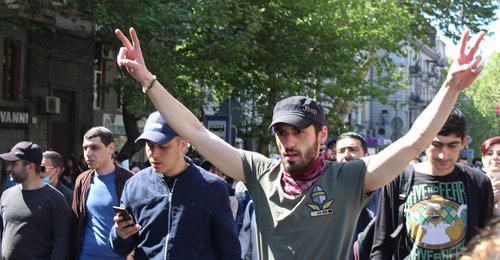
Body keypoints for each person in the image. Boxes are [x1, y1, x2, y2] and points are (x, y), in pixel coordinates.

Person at [115, 27, 485, 259]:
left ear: (322, 136)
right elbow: (196, 132)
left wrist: (451, 85)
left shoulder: (349, 179)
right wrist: (148, 80)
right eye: (282, 133)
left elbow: (412, 142)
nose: (288, 142)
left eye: (299, 132)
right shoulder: (260, 173)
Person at [109, 111, 241, 259]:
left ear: (182, 144)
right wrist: (119, 234)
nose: (154, 154)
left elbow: (230, 251)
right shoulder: (134, 185)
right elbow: (122, 248)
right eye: (150, 145)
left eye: (163, 146)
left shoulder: (212, 187)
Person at [370, 108, 494, 259]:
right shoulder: (399, 179)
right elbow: (381, 245)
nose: (444, 154)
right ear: (423, 142)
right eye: (436, 144)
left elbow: (486, 244)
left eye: (452, 145)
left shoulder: (478, 182)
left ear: (464, 142)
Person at [0, 141, 71, 259]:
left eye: (14, 164)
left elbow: (62, 242)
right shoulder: (6, 195)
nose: (9, 168)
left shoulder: (56, 199)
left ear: (31, 167)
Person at [71, 127, 134, 260]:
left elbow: (141, 223)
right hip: (85, 256)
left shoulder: (130, 181)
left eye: (94, 148)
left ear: (111, 148)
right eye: (85, 148)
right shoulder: (82, 180)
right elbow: (75, 222)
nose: (88, 153)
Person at [336, 132, 380, 259]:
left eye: (353, 149)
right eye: (341, 151)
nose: (346, 155)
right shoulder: (327, 191)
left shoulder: (382, 191)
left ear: (366, 155)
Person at [481, 136, 500, 216]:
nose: (495, 157)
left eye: (499, 153)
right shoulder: (472, 184)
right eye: (489, 153)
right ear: (483, 159)